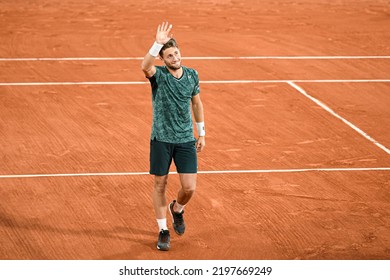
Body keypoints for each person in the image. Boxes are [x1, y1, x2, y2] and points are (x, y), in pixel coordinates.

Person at [141, 22, 206, 251]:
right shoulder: (157, 75)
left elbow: (196, 103)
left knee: (189, 188)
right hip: (161, 139)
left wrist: (202, 132)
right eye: (169, 55)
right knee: (160, 184)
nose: (175, 57)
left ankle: (177, 209)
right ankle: (163, 230)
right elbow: (144, 65)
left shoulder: (192, 75)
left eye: (176, 53)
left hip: (186, 139)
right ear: (162, 58)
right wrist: (156, 43)